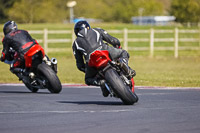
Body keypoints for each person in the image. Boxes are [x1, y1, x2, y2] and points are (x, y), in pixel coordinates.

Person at [72, 20, 136, 97]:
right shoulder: (96, 30)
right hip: (105, 51)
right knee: (123, 53)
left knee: (88, 79)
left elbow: (80, 65)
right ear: (88, 27)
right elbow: (114, 41)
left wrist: (88, 70)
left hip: (91, 60)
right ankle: (125, 67)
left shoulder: (75, 44)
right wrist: (117, 47)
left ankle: (101, 82)